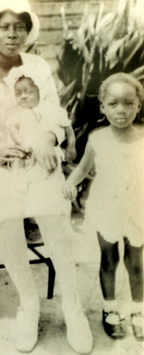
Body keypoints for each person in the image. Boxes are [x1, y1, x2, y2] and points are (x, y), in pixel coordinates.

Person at [0, 0, 93, 353]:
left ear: (28, 31)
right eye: (5, 26)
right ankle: (29, 303)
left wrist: (45, 139)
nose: (13, 34)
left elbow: (55, 115)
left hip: (35, 157)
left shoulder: (37, 66)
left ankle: (72, 306)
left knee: (56, 212)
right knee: (6, 216)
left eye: (20, 26)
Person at [63, 73, 144, 342]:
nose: (121, 110)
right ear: (103, 107)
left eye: (128, 103)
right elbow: (83, 169)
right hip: (106, 206)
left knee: (136, 262)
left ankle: (138, 310)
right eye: (113, 104)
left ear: (138, 105)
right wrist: (69, 185)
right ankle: (110, 310)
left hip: (137, 206)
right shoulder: (98, 138)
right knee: (109, 260)